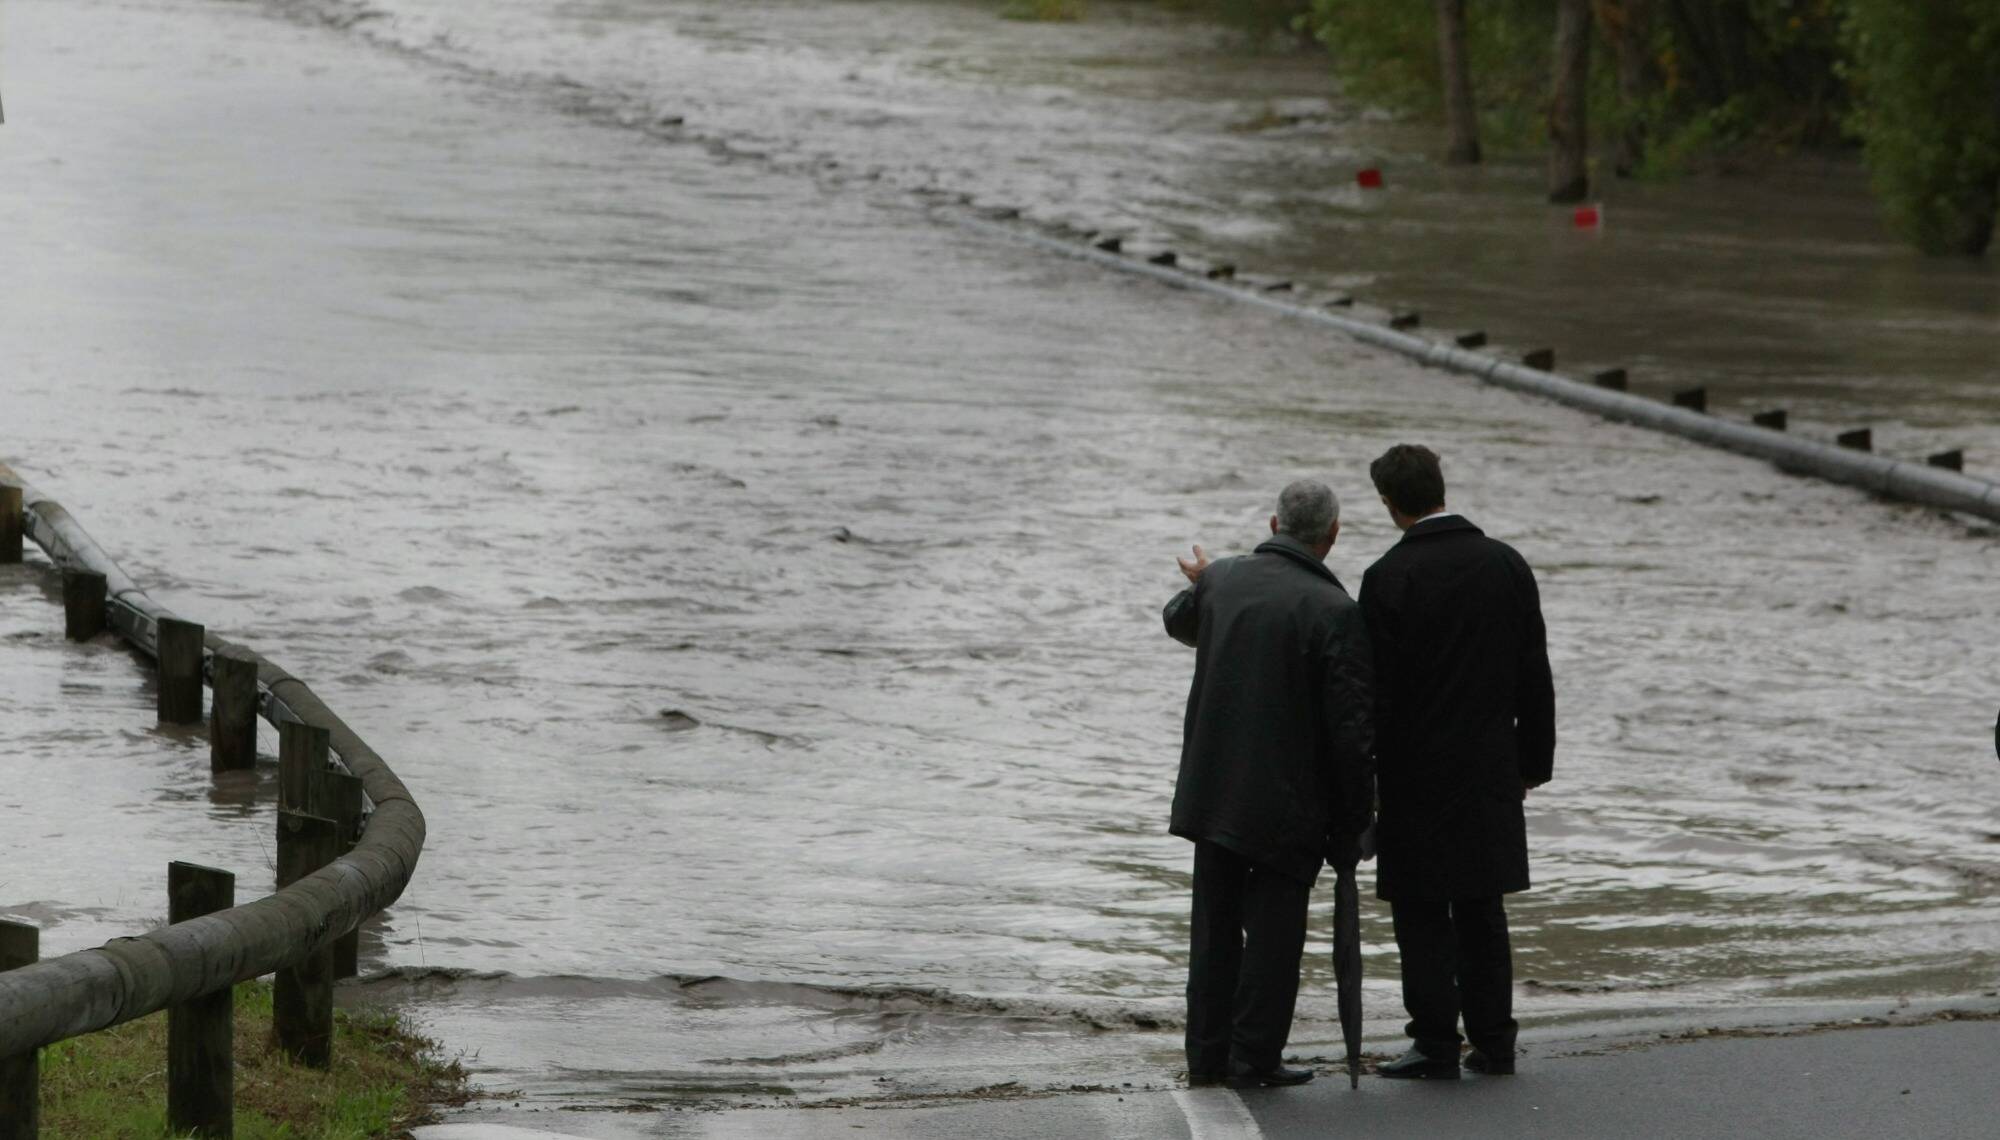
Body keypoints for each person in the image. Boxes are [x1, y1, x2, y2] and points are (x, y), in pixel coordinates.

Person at [1163, 480, 1375, 1089]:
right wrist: (1354, 820)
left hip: (1213, 788)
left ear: (1274, 521)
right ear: (1333, 536)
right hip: (1288, 803)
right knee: (1275, 939)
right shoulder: (1336, 610)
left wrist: (1204, 581)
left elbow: (1179, 623)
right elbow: (1351, 731)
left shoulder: (1224, 579)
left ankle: (1205, 1058)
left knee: (1214, 931)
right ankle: (1253, 1057)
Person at [1360, 444, 1554, 1080]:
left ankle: (1435, 1042)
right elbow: (1534, 675)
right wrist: (1533, 763)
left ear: (1390, 504)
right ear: (1441, 488)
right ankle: (1495, 1041)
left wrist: (1365, 776)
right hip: (1490, 766)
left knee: (1420, 909)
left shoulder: (1388, 577)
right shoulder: (1506, 565)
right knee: (1482, 906)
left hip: (1414, 773)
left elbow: (1374, 694)